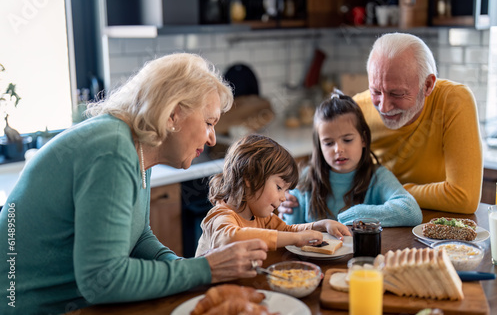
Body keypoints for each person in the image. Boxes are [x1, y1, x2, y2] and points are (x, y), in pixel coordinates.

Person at [0, 53, 269, 314]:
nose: (212, 138)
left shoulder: (138, 144)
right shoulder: (113, 151)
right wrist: (207, 269)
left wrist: (191, 268)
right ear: (173, 115)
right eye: (209, 122)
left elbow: (139, 235)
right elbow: (103, 279)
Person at [280, 32, 482, 216]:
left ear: (428, 85)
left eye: (397, 93)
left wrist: (392, 194)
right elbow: (324, 169)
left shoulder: (453, 100)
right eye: (375, 91)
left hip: (435, 220)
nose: (384, 106)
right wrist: (287, 198)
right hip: (380, 222)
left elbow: (464, 198)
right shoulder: (357, 109)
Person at [195, 134, 351, 257]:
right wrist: (296, 239)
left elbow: (287, 231)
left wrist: (320, 225)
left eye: (285, 190)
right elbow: (230, 238)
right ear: (250, 178)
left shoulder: (261, 218)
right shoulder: (221, 216)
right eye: (279, 187)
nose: (283, 197)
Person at [281, 91, 422, 227]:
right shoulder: (306, 179)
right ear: (319, 146)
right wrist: (284, 214)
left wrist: (353, 216)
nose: (338, 149)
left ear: (363, 139)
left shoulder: (378, 177)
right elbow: (290, 233)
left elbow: (411, 211)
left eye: (347, 140)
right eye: (329, 143)